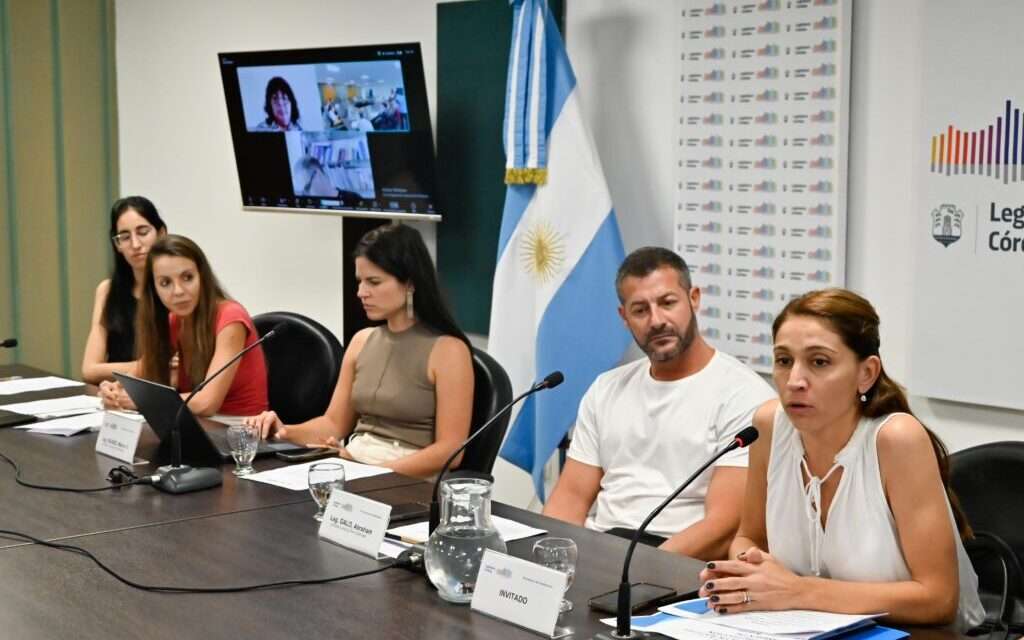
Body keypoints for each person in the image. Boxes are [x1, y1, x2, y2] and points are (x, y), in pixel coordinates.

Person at [698, 288, 984, 630]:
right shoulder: (769, 426)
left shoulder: (896, 440)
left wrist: (796, 591)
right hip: (803, 628)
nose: (794, 381)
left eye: (819, 362)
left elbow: (938, 600)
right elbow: (749, 537)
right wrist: (752, 570)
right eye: (784, 360)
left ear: (866, 373)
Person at [543, 247, 775, 560]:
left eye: (668, 303)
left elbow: (724, 525)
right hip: (604, 547)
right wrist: (550, 560)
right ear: (624, 317)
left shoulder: (745, 396)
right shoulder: (606, 388)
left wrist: (635, 569)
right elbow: (570, 498)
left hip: (678, 559)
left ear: (693, 298)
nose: (657, 320)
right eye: (640, 310)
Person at [245, 223, 474, 480]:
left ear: (410, 283)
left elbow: (451, 451)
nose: (361, 293)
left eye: (374, 282)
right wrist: (284, 431)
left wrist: (373, 471)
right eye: (360, 282)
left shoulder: (448, 351)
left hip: (407, 477)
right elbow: (333, 424)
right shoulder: (362, 341)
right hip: (353, 464)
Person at [98, 235, 268, 417]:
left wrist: (144, 400)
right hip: (196, 424)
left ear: (202, 277)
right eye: (165, 283)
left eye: (187, 278)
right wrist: (114, 389)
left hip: (240, 432)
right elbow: (138, 376)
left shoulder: (231, 317)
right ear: (154, 289)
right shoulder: (174, 320)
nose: (178, 291)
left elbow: (206, 403)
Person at [81, 196, 167, 384]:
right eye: (125, 237)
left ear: (161, 234)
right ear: (117, 245)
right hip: (114, 396)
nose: (135, 245)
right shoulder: (107, 290)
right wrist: (144, 366)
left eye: (143, 232)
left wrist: (117, 370)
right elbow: (89, 370)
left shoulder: (175, 292)